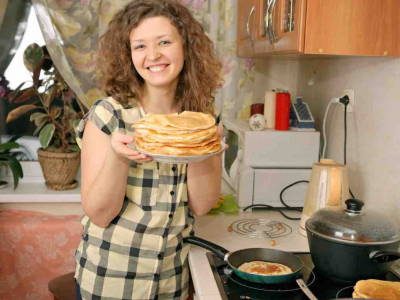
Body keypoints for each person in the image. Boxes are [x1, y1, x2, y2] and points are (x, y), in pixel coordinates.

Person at [74, 0, 224, 299]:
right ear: (128, 55)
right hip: (110, 283)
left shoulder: (203, 119)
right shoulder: (109, 116)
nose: (153, 55)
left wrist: (205, 149)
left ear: (186, 47)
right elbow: (100, 215)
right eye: (140, 46)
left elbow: (203, 204)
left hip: (172, 283)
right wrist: (118, 157)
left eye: (164, 42)